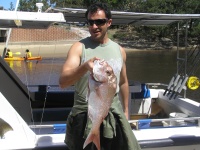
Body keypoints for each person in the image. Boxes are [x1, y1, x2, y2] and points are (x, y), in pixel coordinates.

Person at [59, 2, 141, 150]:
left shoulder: (119, 50)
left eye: (99, 22)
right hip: (84, 115)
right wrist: (84, 67)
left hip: (114, 114)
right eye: (90, 22)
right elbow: (63, 82)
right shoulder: (79, 48)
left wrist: (126, 112)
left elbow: (123, 82)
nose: (94, 26)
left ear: (109, 22)